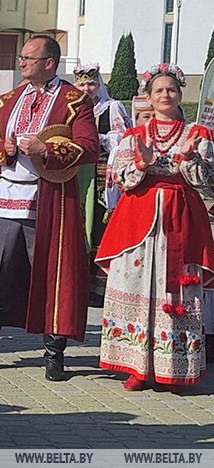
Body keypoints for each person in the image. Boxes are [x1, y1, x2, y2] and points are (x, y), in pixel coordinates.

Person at [0, 35, 100, 381]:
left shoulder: (74, 100)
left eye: (28, 58)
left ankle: (54, 356)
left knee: (51, 273)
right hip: (5, 199)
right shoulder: (9, 100)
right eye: (22, 57)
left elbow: (90, 147)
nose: (21, 63)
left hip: (49, 199)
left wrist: (45, 149)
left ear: (49, 63)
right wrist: (3, 150)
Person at [96, 63, 214, 391]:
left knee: (176, 291)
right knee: (136, 285)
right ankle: (136, 366)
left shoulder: (197, 135)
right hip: (139, 222)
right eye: (159, 91)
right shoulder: (134, 136)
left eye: (171, 90)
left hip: (181, 220)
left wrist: (189, 158)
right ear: (148, 97)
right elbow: (120, 179)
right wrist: (142, 162)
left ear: (180, 94)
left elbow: (207, 180)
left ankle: (175, 367)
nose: (165, 95)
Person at [73, 63, 131, 306]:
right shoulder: (73, 107)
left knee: (98, 222)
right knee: (78, 223)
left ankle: (99, 286)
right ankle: (78, 282)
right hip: (77, 172)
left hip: (101, 172)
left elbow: (123, 136)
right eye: (82, 85)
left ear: (99, 85)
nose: (87, 89)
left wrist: (97, 138)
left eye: (91, 84)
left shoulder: (111, 107)